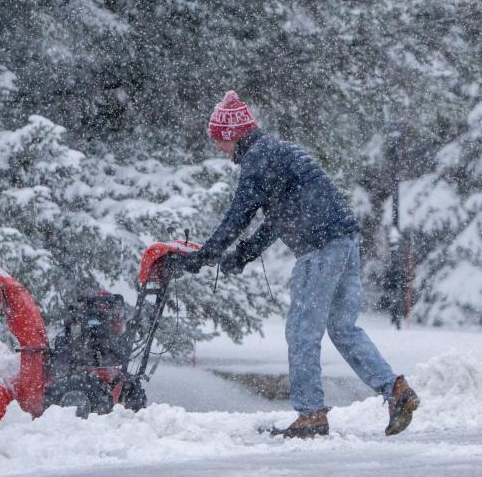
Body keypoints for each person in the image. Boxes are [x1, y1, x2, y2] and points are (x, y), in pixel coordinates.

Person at [180, 91, 420, 439]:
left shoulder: (259, 158)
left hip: (320, 249)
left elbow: (239, 213)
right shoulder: (280, 153)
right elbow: (279, 217)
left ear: (232, 134)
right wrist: (244, 253)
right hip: (345, 242)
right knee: (342, 328)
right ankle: (395, 389)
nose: (219, 148)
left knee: (301, 332)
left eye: (219, 140)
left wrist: (205, 255)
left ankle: (310, 415)